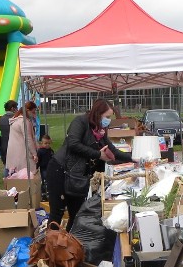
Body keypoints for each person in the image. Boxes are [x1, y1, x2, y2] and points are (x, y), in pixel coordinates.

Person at [47, 98, 129, 230]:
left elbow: (113, 151)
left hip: (77, 177)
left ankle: (69, 245)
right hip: (60, 170)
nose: (109, 120)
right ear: (98, 114)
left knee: (77, 214)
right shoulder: (80, 122)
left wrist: (134, 157)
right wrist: (98, 154)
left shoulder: (100, 131)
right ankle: (50, 247)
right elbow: (73, 144)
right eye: (107, 116)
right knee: (57, 212)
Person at [6, 101, 39, 178]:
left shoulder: (15, 120)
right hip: (22, 153)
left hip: (14, 151)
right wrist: (34, 154)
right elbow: (28, 139)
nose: (34, 114)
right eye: (33, 112)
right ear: (28, 110)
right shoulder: (24, 121)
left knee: (15, 175)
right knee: (27, 175)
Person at [0, 99, 18, 173]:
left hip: (3, 146)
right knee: (15, 168)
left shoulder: (1, 118)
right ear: (13, 108)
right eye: (17, 108)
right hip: (14, 146)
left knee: (7, 166)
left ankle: (7, 182)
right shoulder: (16, 119)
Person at [37, 134, 54, 201]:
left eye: (49, 143)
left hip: (50, 168)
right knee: (44, 181)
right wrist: (36, 167)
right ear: (42, 143)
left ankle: (50, 193)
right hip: (44, 168)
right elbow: (38, 160)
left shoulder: (51, 151)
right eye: (45, 143)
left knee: (50, 181)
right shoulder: (40, 151)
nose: (47, 145)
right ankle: (44, 195)